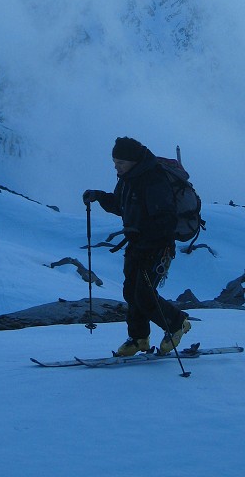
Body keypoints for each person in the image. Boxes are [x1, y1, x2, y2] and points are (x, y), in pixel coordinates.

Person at [83, 136, 191, 356]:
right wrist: (99, 197)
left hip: (157, 248)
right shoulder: (128, 178)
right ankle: (139, 338)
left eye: (120, 163)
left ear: (133, 161)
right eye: (115, 163)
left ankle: (177, 323)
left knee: (144, 294)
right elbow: (121, 205)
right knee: (131, 293)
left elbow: (166, 220)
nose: (116, 167)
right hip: (137, 245)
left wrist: (143, 235)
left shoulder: (154, 180)